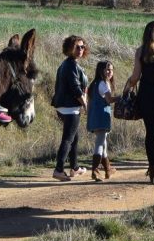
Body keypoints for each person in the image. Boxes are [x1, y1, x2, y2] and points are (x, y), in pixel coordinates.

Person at [125, 21, 154, 183]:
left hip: (146, 95)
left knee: (150, 132)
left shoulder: (140, 51)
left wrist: (128, 85)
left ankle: (152, 168)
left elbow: (136, 77)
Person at [51, 35, 89, 181]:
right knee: (68, 139)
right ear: (69, 48)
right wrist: (85, 105)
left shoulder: (68, 64)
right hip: (70, 107)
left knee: (74, 137)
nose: (80, 49)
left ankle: (75, 167)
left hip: (65, 106)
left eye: (82, 46)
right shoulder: (71, 65)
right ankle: (58, 170)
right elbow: (75, 88)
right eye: (77, 47)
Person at [87, 61, 120, 181]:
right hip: (102, 116)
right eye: (107, 69)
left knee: (103, 143)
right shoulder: (104, 83)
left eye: (111, 70)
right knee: (100, 143)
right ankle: (95, 170)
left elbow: (89, 103)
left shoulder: (94, 84)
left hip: (93, 117)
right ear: (101, 70)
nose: (110, 72)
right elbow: (109, 99)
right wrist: (121, 98)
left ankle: (107, 169)